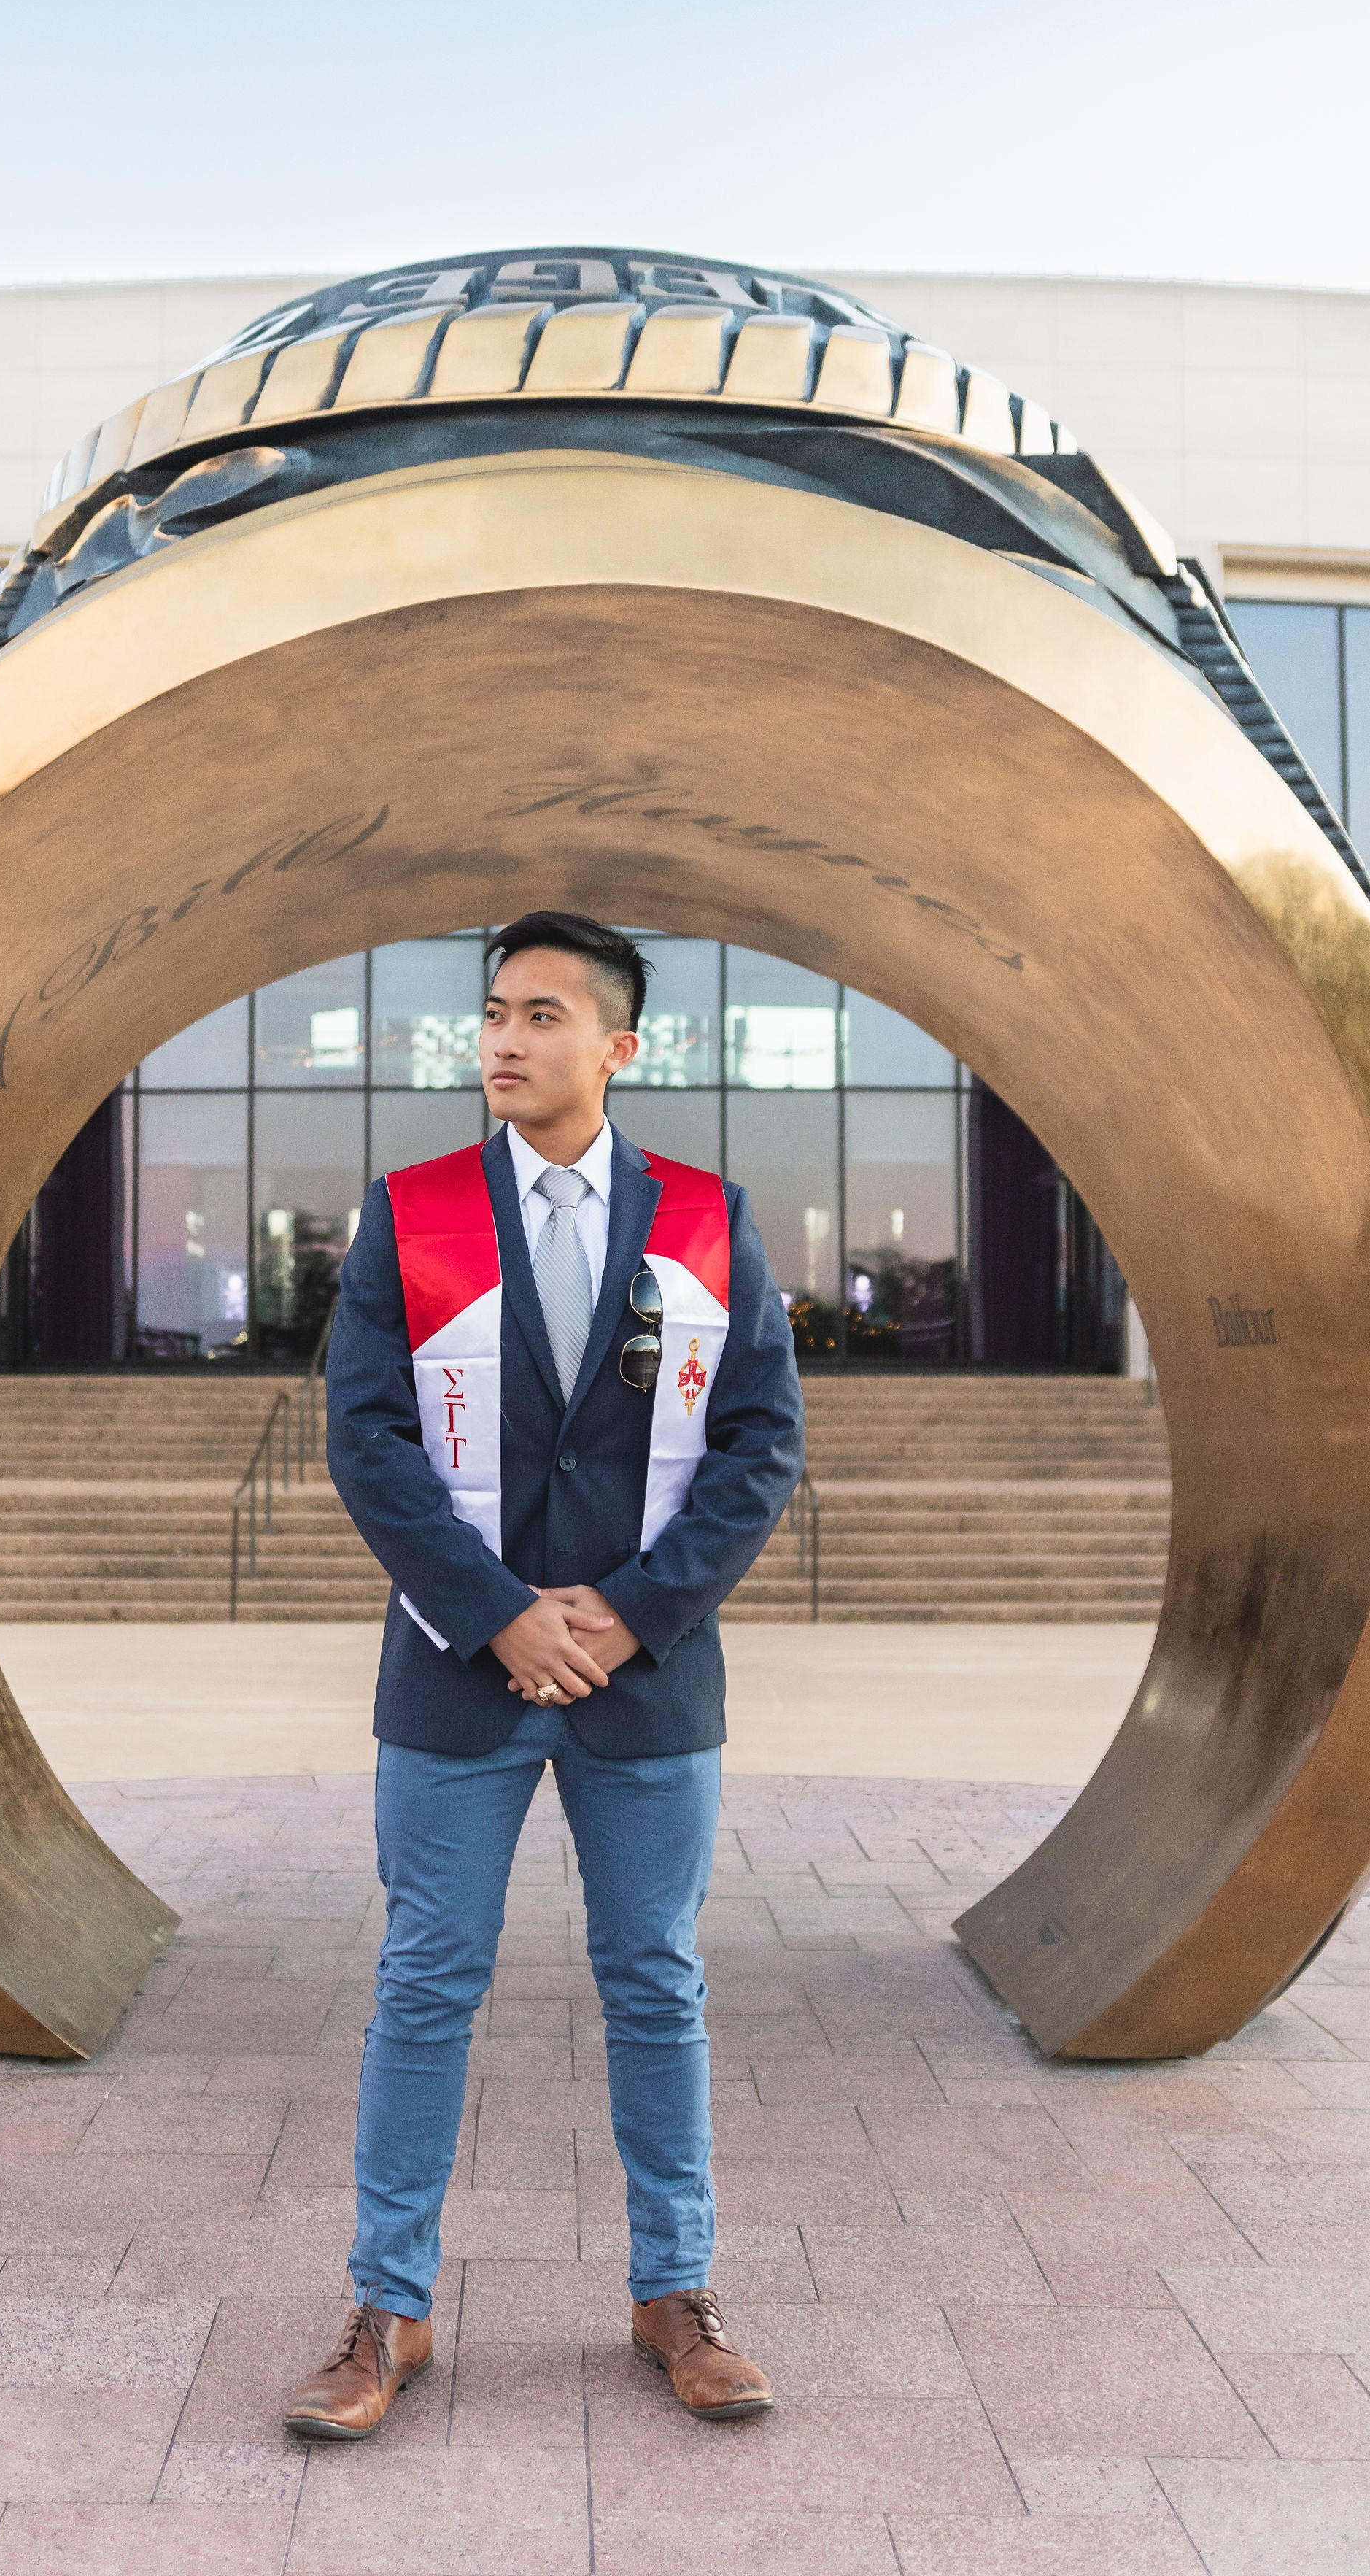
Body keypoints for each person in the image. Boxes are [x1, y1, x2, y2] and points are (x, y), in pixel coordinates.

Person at [284, 911, 804, 2442]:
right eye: (494, 1013)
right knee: (424, 1986)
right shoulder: (416, 1211)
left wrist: (633, 1613)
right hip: (459, 1673)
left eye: (544, 1016)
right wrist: (499, 1614)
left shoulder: (707, 1218)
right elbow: (366, 1437)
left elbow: (761, 1440)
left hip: (648, 1677)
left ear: (620, 1048)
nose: (505, 1040)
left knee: (656, 1984)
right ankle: (388, 2308)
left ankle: (675, 2294)